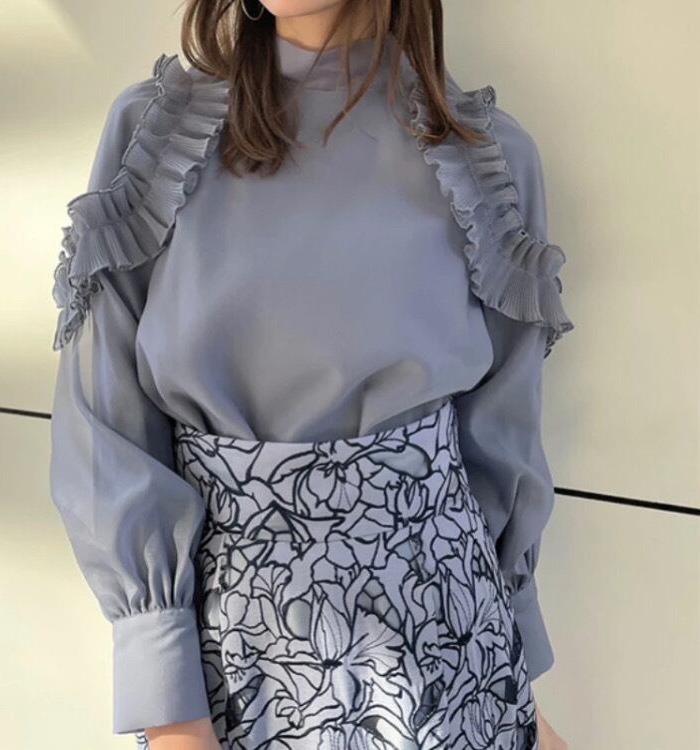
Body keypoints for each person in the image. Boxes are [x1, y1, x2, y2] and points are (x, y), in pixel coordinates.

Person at [48, 1, 574, 749]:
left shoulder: (484, 159)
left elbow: (502, 445)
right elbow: (104, 431)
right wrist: (169, 712)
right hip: (237, 675)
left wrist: (522, 699)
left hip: (459, 670)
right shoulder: (156, 138)